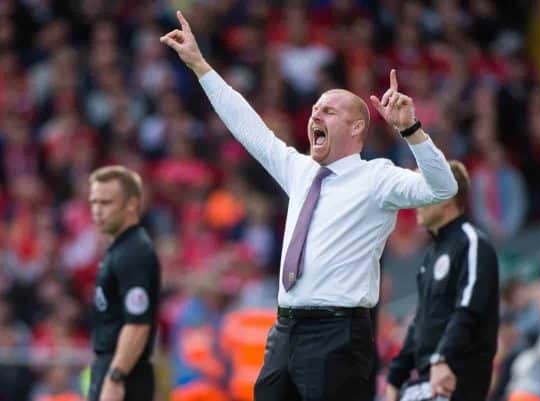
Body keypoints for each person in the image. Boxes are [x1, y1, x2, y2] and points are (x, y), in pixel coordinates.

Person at [161, 11, 458, 401]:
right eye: (315, 109)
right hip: (286, 328)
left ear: (356, 128)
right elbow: (248, 126)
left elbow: (442, 188)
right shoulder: (299, 171)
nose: (315, 114)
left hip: (340, 332)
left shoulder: (377, 177)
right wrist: (201, 66)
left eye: (329, 111)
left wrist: (411, 131)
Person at [385, 161, 499, 401]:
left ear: (446, 195)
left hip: (454, 379)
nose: (415, 200)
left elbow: (469, 309)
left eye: (423, 190)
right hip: (426, 381)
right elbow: (421, 320)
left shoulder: (472, 243)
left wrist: (443, 358)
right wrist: (396, 377)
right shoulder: (432, 253)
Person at [88, 166, 161, 401]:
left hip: (126, 373)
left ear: (131, 204)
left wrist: (116, 376)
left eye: (106, 203)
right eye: (94, 202)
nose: (97, 211)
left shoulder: (133, 253)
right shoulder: (120, 249)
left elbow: (138, 323)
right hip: (112, 365)